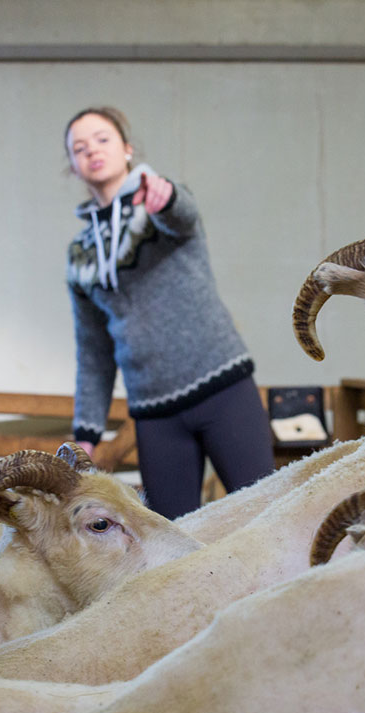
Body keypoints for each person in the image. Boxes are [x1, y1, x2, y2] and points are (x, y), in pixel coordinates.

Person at [62, 106, 276, 520]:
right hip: (154, 413)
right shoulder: (79, 255)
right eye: (79, 148)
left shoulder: (158, 202)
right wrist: (86, 434)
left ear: (127, 149)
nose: (92, 151)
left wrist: (166, 198)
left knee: (265, 518)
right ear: (72, 166)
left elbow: (185, 216)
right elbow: (93, 352)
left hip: (223, 390)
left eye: (102, 139)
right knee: (170, 540)